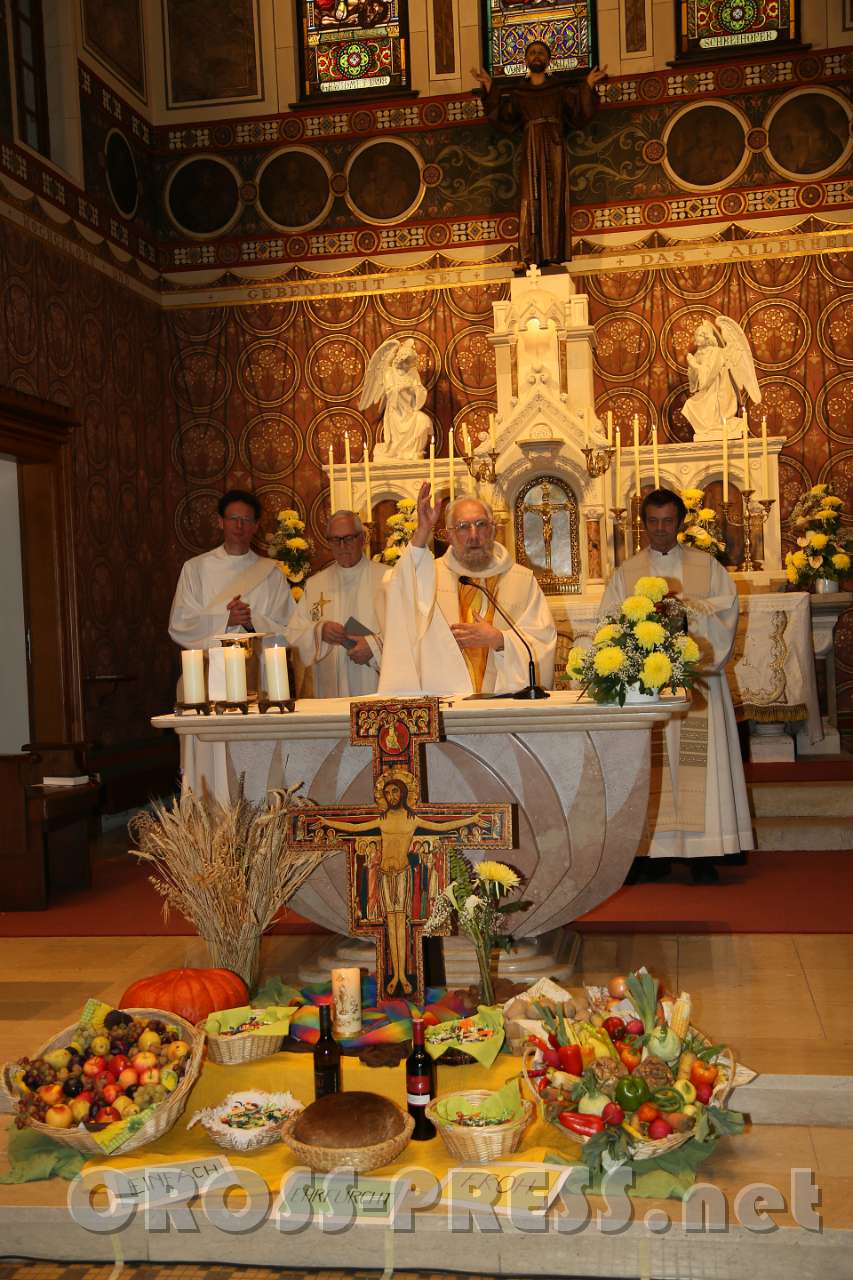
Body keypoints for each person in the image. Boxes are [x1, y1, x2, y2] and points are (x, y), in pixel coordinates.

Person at [600, 488, 754, 884]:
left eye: (668, 521)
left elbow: (726, 612)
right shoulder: (627, 572)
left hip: (696, 684)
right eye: (653, 521)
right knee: (653, 767)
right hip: (645, 689)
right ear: (644, 523)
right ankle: (653, 852)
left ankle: (704, 852)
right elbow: (608, 623)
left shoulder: (707, 566)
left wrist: (684, 608)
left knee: (697, 763)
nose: (661, 530)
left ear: (681, 521)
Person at [378, 482, 556, 697]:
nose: (474, 535)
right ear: (449, 535)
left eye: (481, 524)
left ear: (493, 530)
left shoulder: (522, 579)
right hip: (446, 704)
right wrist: (422, 531)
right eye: (463, 526)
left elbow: (542, 641)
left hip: (505, 704)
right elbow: (397, 588)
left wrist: (499, 640)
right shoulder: (429, 575)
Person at [472, 43, 606, 266]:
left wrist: (588, 86)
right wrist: (488, 86)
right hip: (531, 146)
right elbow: (502, 118)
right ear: (526, 61)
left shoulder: (559, 90)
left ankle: (554, 255)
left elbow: (579, 114)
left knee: (555, 197)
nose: (536, 56)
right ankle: (531, 256)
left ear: (548, 60)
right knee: (529, 198)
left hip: (554, 146)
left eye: (541, 53)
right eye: (532, 52)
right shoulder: (518, 93)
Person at [285, 509, 385, 697]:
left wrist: (374, 647)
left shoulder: (388, 579)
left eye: (348, 538)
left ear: (362, 538)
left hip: (375, 684)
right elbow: (293, 633)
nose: (342, 546)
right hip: (329, 690)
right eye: (335, 540)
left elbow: (407, 634)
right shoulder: (316, 584)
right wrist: (320, 631)